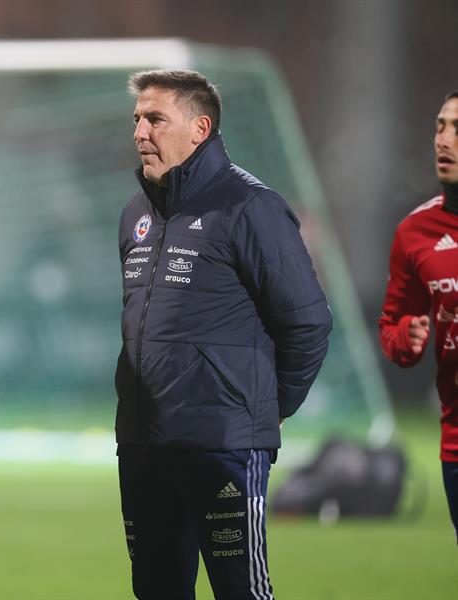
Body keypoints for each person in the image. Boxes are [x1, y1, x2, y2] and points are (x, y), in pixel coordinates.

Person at [114, 69, 332, 600]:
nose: (140, 132)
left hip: (224, 445)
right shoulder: (136, 213)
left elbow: (307, 321)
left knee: (241, 591)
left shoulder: (250, 206)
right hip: (144, 443)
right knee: (155, 590)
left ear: (200, 128)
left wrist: (272, 407)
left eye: (156, 119)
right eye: (137, 119)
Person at [379, 90, 458, 544]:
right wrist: (406, 336)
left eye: (457, 129)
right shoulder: (415, 232)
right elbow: (392, 326)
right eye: (440, 127)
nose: (443, 140)